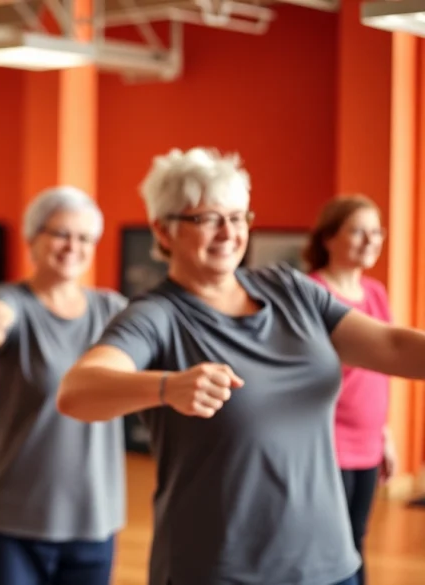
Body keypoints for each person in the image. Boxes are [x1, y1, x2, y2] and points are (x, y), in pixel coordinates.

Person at [55, 147, 425, 585]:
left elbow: (391, 344)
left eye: (239, 217)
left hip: (329, 563)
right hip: (222, 571)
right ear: (163, 229)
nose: (229, 232)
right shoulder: (156, 315)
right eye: (208, 218)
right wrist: (166, 387)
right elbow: (76, 393)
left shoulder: (291, 289)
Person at [0, 186, 128, 585]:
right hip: (14, 522)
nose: (72, 245)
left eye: (84, 237)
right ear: (33, 239)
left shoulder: (112, 310)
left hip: (94, 519)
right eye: (61, 233)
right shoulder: (12, 301)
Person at [305, 195, 397, 585]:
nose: (370, 241)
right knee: (330, 544)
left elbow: (383, 369)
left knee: (356, 539)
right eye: (358, 231)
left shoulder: (375, 292)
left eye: (377, 232)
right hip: (327, 442)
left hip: (367, 442)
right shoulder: (311, 291)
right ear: (329, 237)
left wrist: (385, 435)